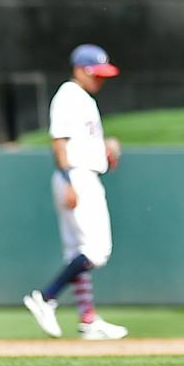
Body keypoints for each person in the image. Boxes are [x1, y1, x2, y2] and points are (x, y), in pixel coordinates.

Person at [22, 45, 128, 340]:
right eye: (97, 74)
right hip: (77, 177)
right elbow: (59, 142)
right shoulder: (69, 96)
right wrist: (69, 180)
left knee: (77, 252)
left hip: (79, 174)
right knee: (97, 251)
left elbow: (80, 140)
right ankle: (46, 297)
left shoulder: (81, 98)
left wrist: (104, 149)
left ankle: (88, 320)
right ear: (81, 69)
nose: (101, 81)